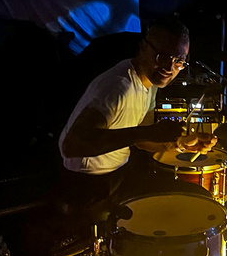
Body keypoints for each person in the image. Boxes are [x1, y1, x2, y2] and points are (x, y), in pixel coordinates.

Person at [58, 15, 217, 212]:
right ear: (143, 48)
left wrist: (181, 143)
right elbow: (72, 146)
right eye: (162, 57)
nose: (169, 68)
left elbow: (141, 140)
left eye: (179, 61)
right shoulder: (118, 88)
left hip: (115, 176)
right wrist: (151, 132)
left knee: (196, 197)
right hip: (85, 187)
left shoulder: (150, 83)